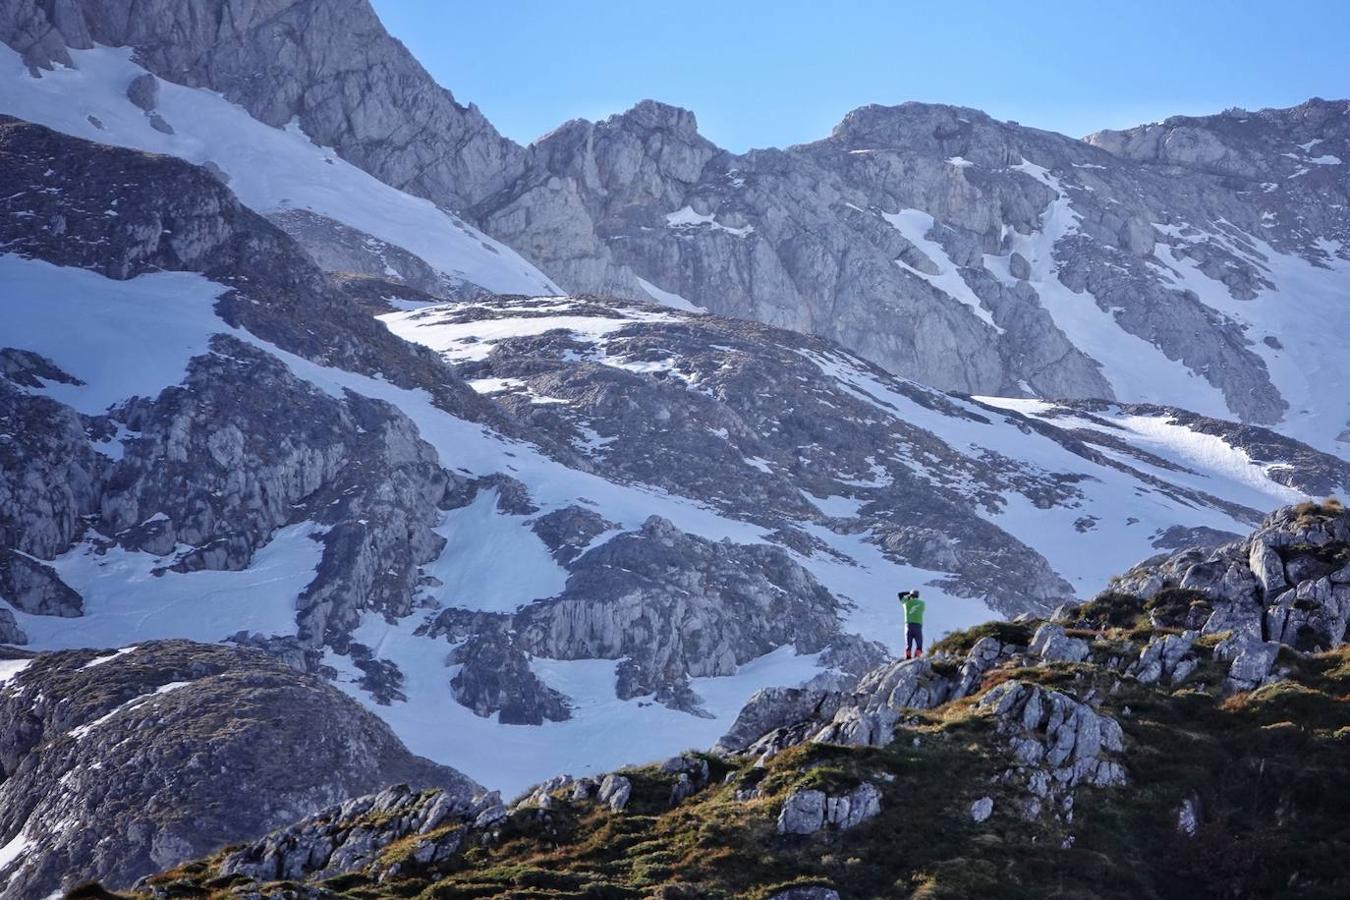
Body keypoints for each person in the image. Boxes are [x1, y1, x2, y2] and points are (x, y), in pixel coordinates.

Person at [898, 590, 925, 659]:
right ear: (918, 596)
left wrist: (908, 594)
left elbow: (900, 594)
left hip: (908, 625)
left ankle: (908, 658)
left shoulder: (906, 603)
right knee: (919, 644)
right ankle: (917, 658)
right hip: (918, 626)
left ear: (911, 595)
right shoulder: (922, 603)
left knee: (908, 645)